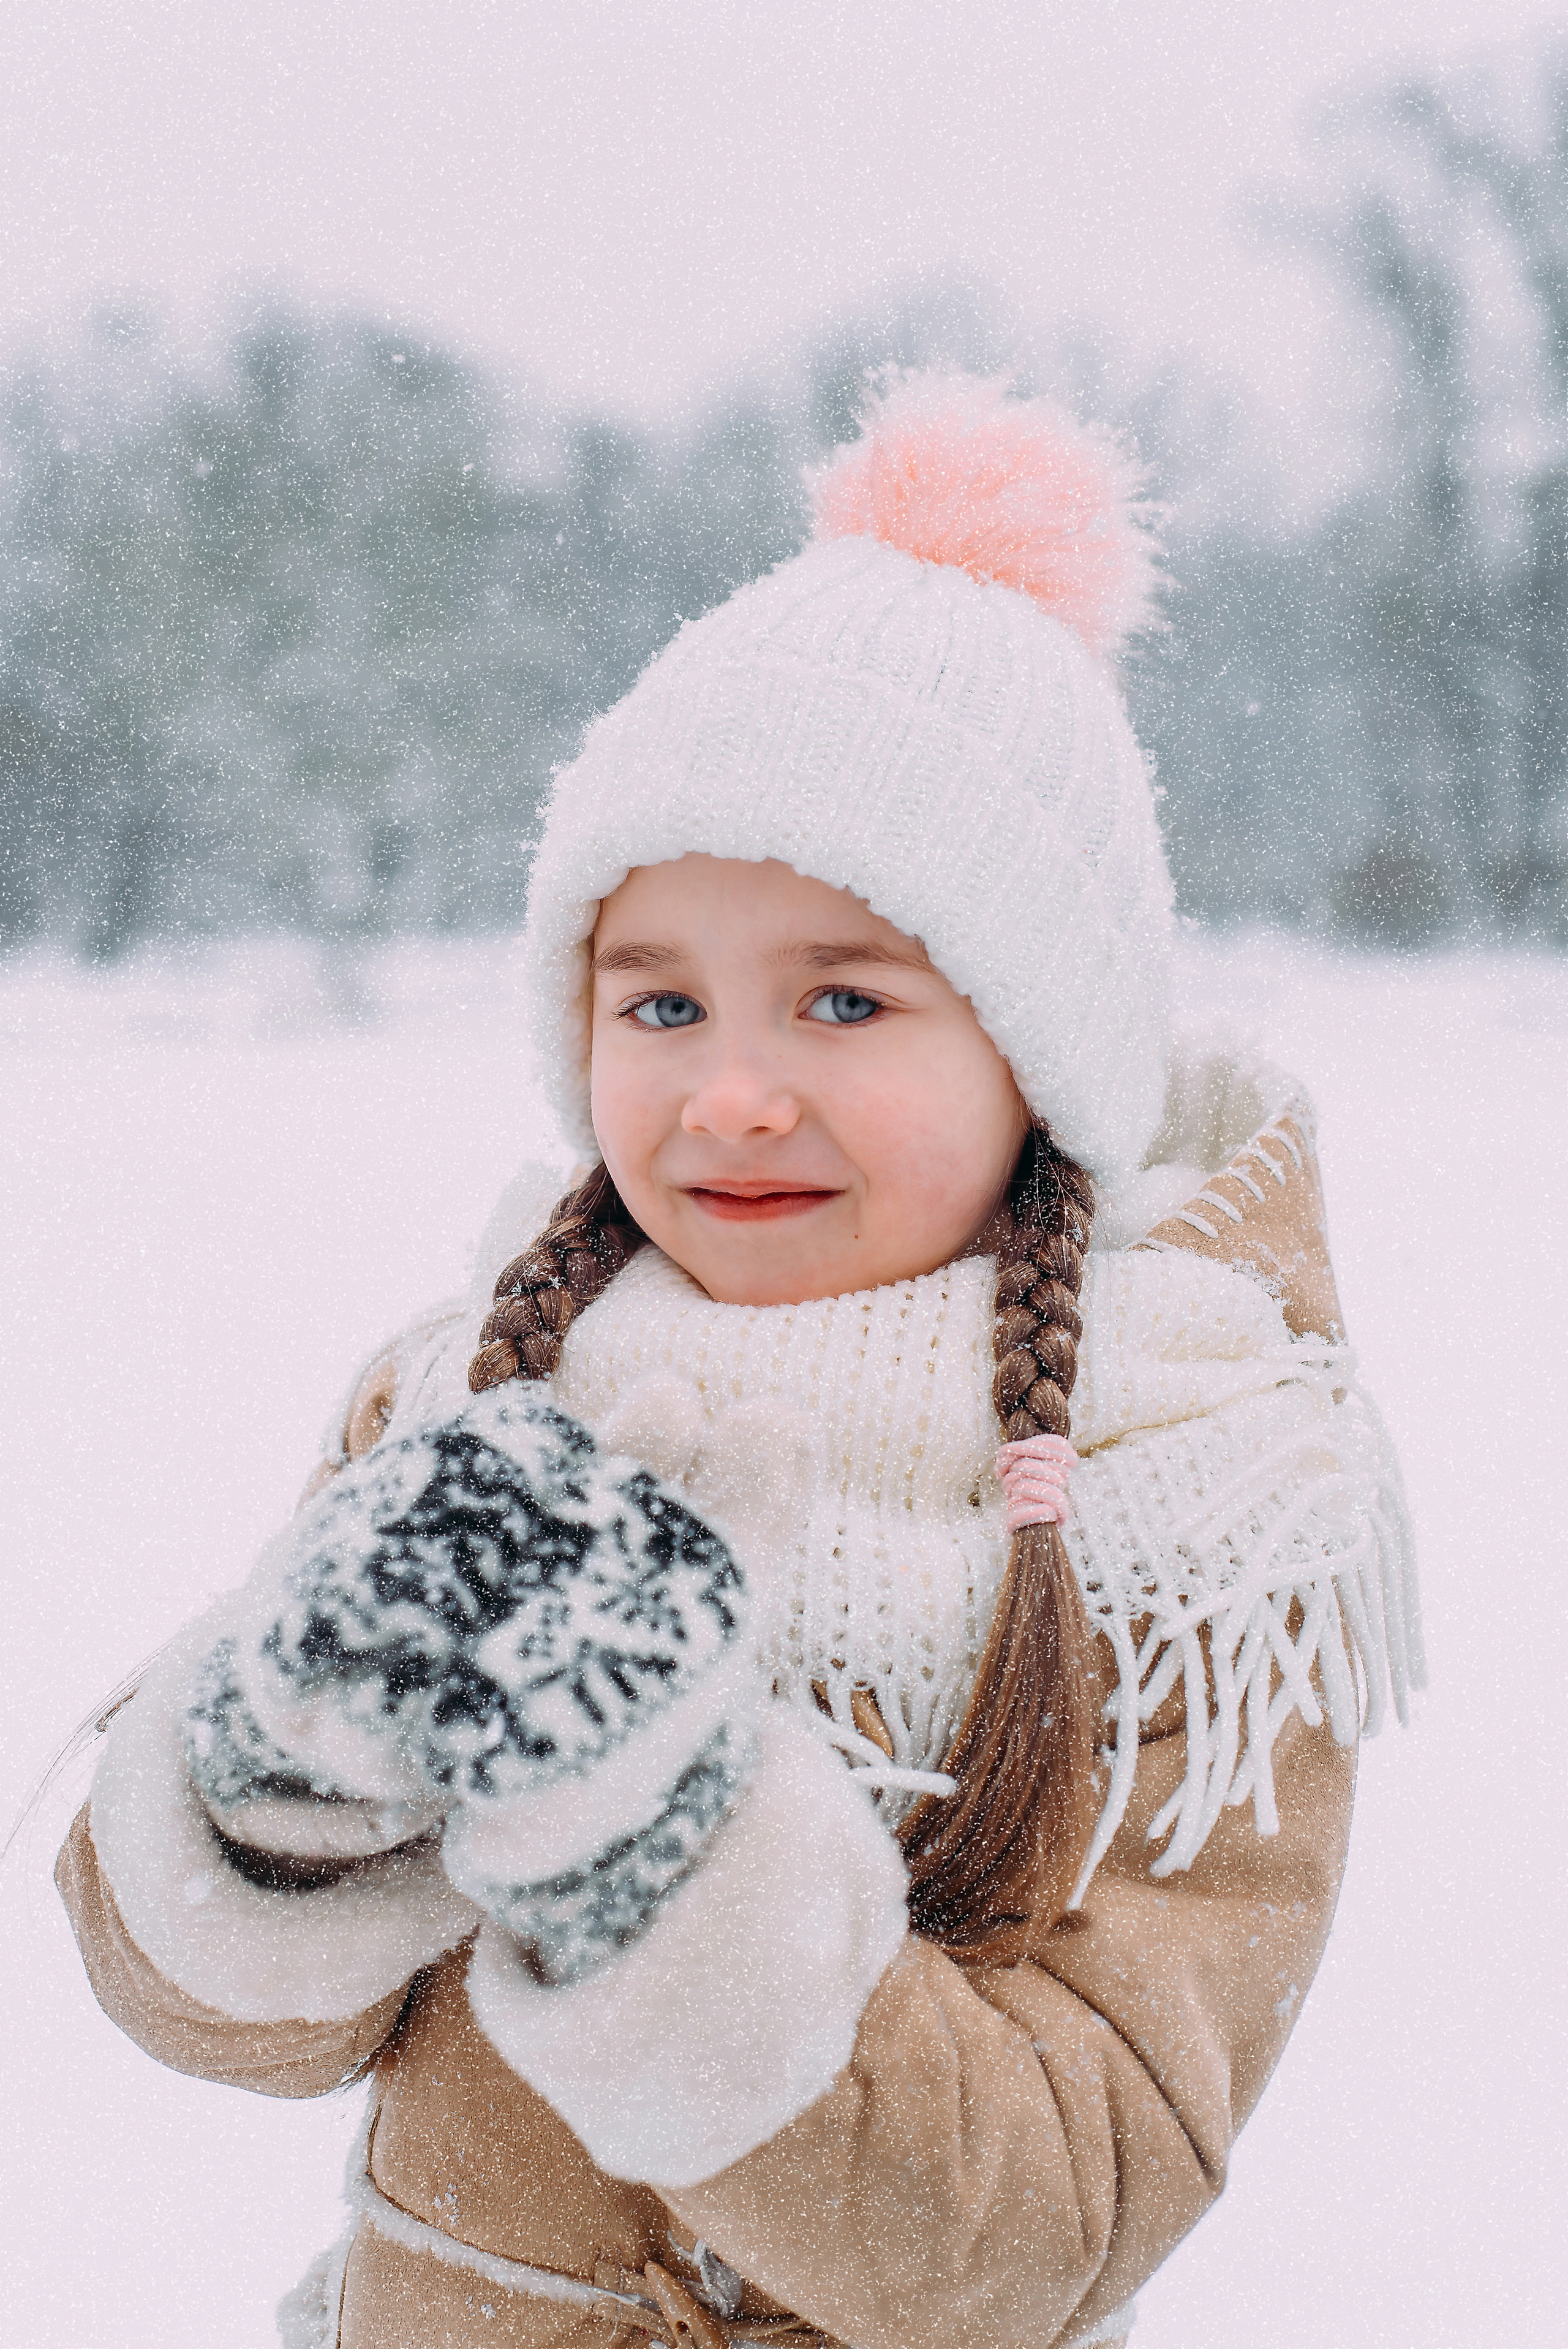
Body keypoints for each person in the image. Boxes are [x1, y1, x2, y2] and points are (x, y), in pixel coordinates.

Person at [56, 373, 1422, 2349]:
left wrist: (661, 1866)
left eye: (846, 998)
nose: (735, 1093)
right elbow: (211, 2009)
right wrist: (279, 1779)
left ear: (1040, 1057)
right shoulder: (473, 1400)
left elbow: (1056, 2216)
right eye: (665, 997)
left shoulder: (1205, 1512)